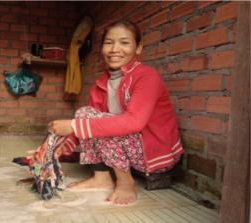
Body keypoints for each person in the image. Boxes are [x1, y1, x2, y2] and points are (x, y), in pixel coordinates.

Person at [48, 19, 184, 205]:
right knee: (85, 114)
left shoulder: (147, 77)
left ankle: (126, 183)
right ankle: (102, 178)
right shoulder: (100, 84)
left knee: (89, 119)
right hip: (127, 151)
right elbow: (88, 124)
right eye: (109, 42)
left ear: (138, 48)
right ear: (102, 48)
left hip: (154, 155)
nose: (115, 49)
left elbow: (134, 122)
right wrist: (59, 148)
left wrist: (72, 125)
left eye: (125, 42)